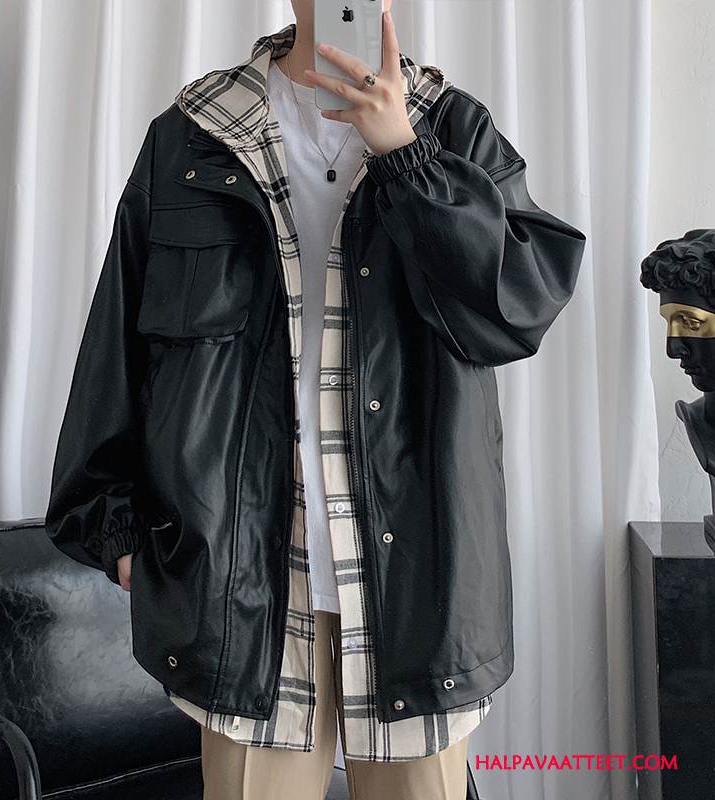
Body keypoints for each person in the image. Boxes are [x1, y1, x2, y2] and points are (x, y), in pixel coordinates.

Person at [45, 1, 587, 798]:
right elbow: (118, 345)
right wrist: (119, 531)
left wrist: (406, 157)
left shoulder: (451, 128)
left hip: (419, 582)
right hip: (240, 581)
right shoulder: (193, 136)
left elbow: (519, 305)